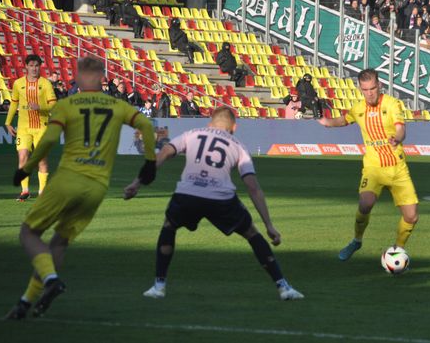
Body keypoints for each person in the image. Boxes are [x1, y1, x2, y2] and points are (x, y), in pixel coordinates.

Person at [5, 56, 157, 320]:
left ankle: (51, 280)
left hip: (68, 179)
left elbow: (48, 141)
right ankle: (26, 302)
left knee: (29, 233)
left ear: (78, 76)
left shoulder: (68, 105)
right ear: (101, 78)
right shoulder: (116, 105)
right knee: (59, 242)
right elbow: (145, 123)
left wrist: (25, 170)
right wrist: (150, 163)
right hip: (96, 188)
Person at [124, 107, 304, 301]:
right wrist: (269, 225)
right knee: (252, 234)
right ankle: (283, 287)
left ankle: (158, 286)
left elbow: (165, 153)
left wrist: (137, 182)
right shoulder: (238, 146)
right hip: (221, 197)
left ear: (210, 122)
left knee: (169, 226)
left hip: (188, 193)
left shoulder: (192, 134)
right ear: (233, 127)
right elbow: (253, 187)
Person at [318, 69, 419, 261]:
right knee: (365, 204)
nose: (370, 93)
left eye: (373, 88)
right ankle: (356, 240)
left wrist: (397, 139)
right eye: (365, 90)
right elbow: (342, 120)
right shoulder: (358, 109)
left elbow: (400, 129)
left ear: (379, 85)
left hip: (397, 168)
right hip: (373, 168)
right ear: (360, 89)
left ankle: (397, 250)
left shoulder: (392, 104)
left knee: (412, 217)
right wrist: (325, 121)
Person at [5, 55, 57, 201]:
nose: (34, 68)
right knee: (23, 157)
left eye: (37, 66)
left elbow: (54, 104)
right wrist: (8, 122)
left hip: (42, 127)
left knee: (42, 160)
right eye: (31, 65)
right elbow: (14, 103)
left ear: (39, 67)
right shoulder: (18, 83)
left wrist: (40, 107)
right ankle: (25, 191)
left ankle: (42, 193)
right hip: (23, 127)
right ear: (26, 66)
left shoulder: (46, 84)